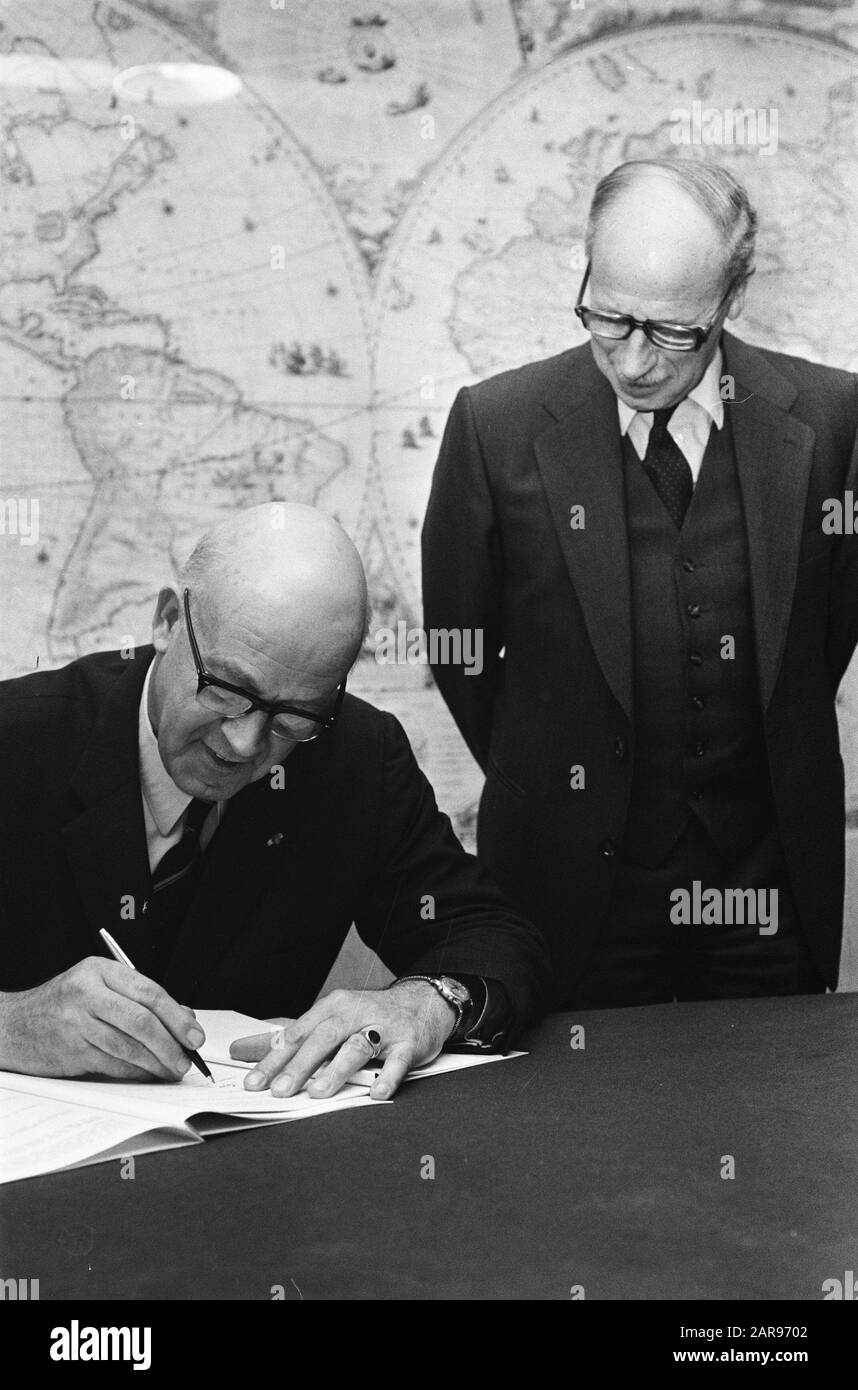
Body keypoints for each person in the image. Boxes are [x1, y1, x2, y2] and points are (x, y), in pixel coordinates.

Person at [422, 157, 858, 1009]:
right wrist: (561, 776)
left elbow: (823, 643)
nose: (634, 360)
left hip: (762, 903)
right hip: (564, 900)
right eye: (608, 318)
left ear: (734, 297)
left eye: (671, 332)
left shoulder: (835, 424)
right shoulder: (495, 425)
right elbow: (461, 653)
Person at [0, 503, 549, 1099]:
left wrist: (426, 1003)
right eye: (228, 689)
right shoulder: (17, 742)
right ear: (164, 622)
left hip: (252, 1164)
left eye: (294, 718)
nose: (243, 744)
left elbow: (493, 934)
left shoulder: (358, 761)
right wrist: (12, 1024)